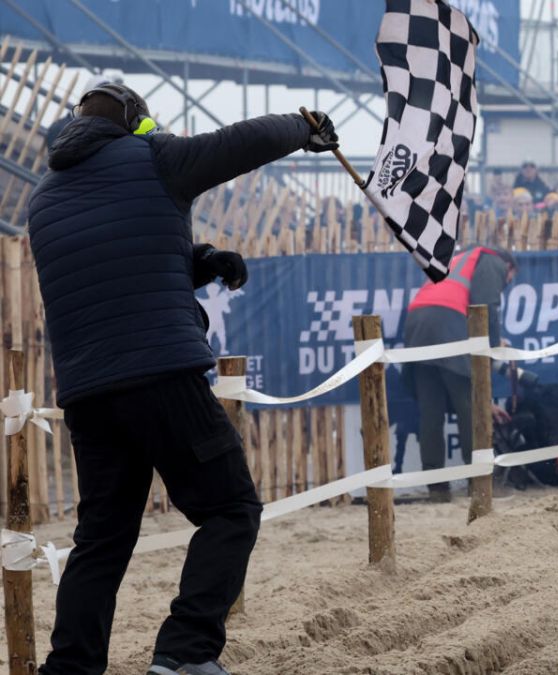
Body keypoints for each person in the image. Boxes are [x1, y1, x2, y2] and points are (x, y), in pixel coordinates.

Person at [26, 82, 339, 675]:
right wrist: (305, 127)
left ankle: (70, 668)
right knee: (231, 509)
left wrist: (201, 263)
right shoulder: (155, 155)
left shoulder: (45, 196)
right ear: (136, 123)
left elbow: (114, 268)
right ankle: (185, 654)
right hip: (161, 375)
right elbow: (241, 142)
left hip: (89, 394)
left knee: (102, 541)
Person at [403, 246, 517, 501]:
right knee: (470, 409)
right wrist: (493, 346)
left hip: (418, 321)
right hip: (447, 320)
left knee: (431, 412)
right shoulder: (492, 261)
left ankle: (437, 489)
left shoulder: (459, 259)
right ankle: (480, 484)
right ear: (509, 267)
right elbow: (486, 306)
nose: (506, 282)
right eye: (509, 279)